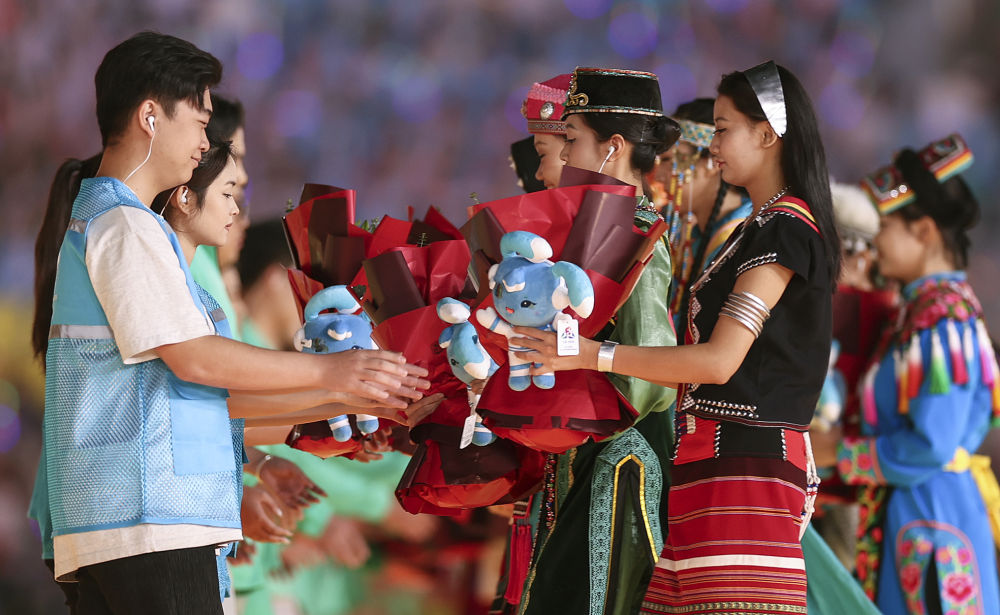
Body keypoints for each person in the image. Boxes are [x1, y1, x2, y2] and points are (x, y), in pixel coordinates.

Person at [39, 32, 427, 614]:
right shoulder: (125, 224)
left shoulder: (128, 225)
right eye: (200, 122)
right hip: (147, 517)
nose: (205, 142)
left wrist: (339, 403)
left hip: (140, 516)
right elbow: (196, 359)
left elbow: (193, 398)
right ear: (150, 116)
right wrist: (334, 376)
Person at [517, 61, 840, 614]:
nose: (712, 145)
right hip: (711, 461)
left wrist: (592, 355)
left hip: (747, 468)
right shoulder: (760, 227)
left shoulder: (785, 228)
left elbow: (718, 362)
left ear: (767, 135)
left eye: (723, 129)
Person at [812, 134, 1000, 613]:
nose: (877, 242)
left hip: (933, 523)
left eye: (887, 227)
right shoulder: (919, 314)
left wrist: (841, 452)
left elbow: (933, 444)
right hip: (913, 515)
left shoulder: (942, 321)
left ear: (925, 232)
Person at [515, 67, 678, 615]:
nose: (564, 154)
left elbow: (654, 374)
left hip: (620, 459)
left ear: (612, 147)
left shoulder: (639, 231)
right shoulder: (596, 228)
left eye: (573, 139)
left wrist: (581, 364)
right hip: (582, 451)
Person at [661, 98, 753, 331]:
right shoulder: (691, 234)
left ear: (712, 163)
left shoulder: (747, 234)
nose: (660, 174)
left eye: (669, 161)